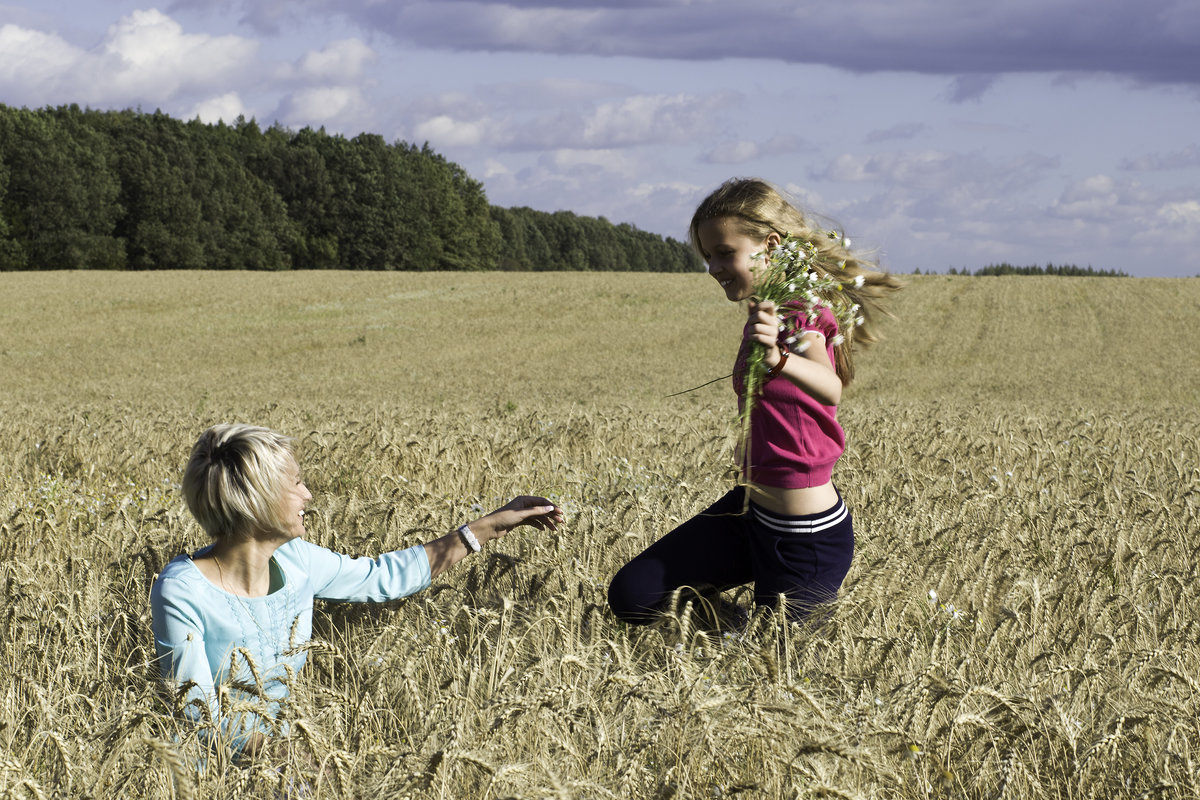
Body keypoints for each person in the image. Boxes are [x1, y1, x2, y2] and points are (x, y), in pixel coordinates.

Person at [151, 423, 563, 760]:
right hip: (218, 776)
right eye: (296, 483)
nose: (308, 495)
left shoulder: (297, 561)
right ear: (255, 499)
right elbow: (200, 717)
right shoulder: (182, 591)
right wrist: (298, 762)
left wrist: (491, 525)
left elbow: (382, 578)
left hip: (294, 764)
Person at [608, 177, 900, 626]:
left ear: (770, 245)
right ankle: (737, 632)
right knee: (634, 594)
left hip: (807, 539)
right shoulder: (764, 311)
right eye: (708, 256)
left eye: (724, 252)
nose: (713, 267)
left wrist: (779, 358)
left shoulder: (805, 311)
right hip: (749, 516)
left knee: (776, 667)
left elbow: (829, 386)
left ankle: (751, 638)